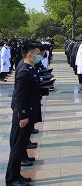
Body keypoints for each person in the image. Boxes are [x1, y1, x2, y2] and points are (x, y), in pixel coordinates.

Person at [5, 40, 41, 186]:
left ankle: (16, 175)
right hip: (23, 116)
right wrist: (23, 115)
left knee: (20, 147)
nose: (39, 56)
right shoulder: (24, 71)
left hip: (27, 112)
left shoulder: (28, 68)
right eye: (37, 54)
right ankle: (12, 179)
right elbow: (19, 95)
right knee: (17, 148)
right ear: (30, 55)